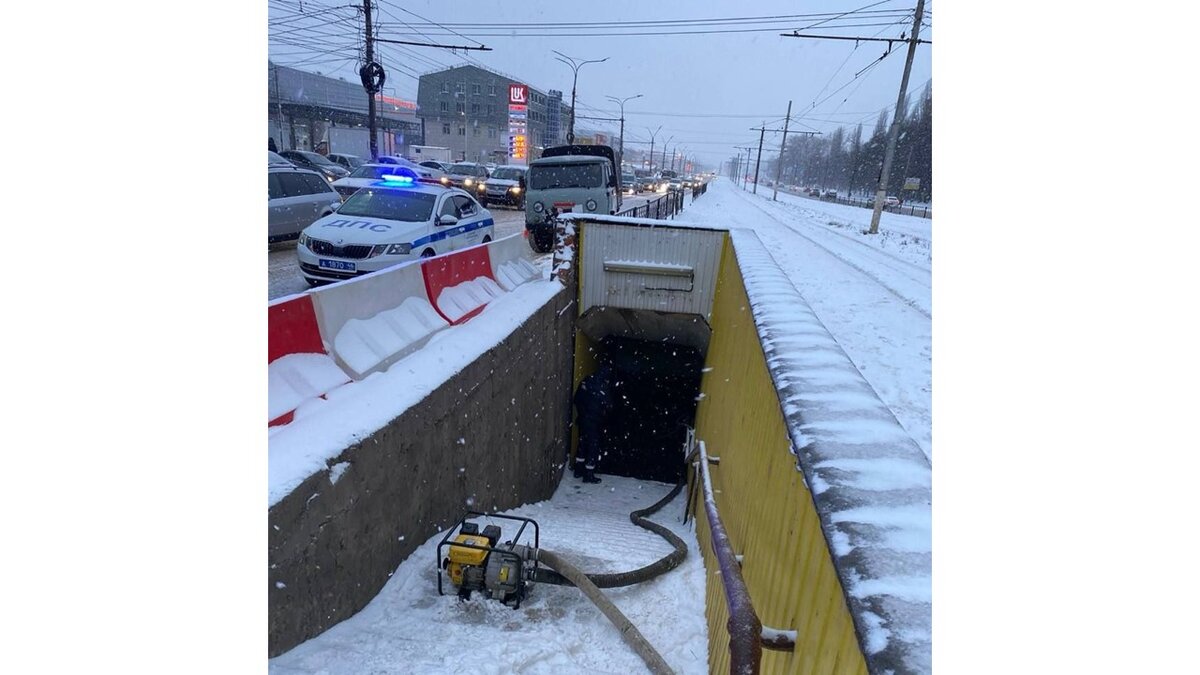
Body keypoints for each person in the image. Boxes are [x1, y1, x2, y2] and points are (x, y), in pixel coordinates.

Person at [573, 361, 614, 484]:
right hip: (594, 422)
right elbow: (609, 405)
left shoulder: (587, 380)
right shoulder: (603, 387)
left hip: (583, 420)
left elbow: (577, 399)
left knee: (582, 443)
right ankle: (588, 474)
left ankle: (578, 469)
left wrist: (582, 412)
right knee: (593, 447)